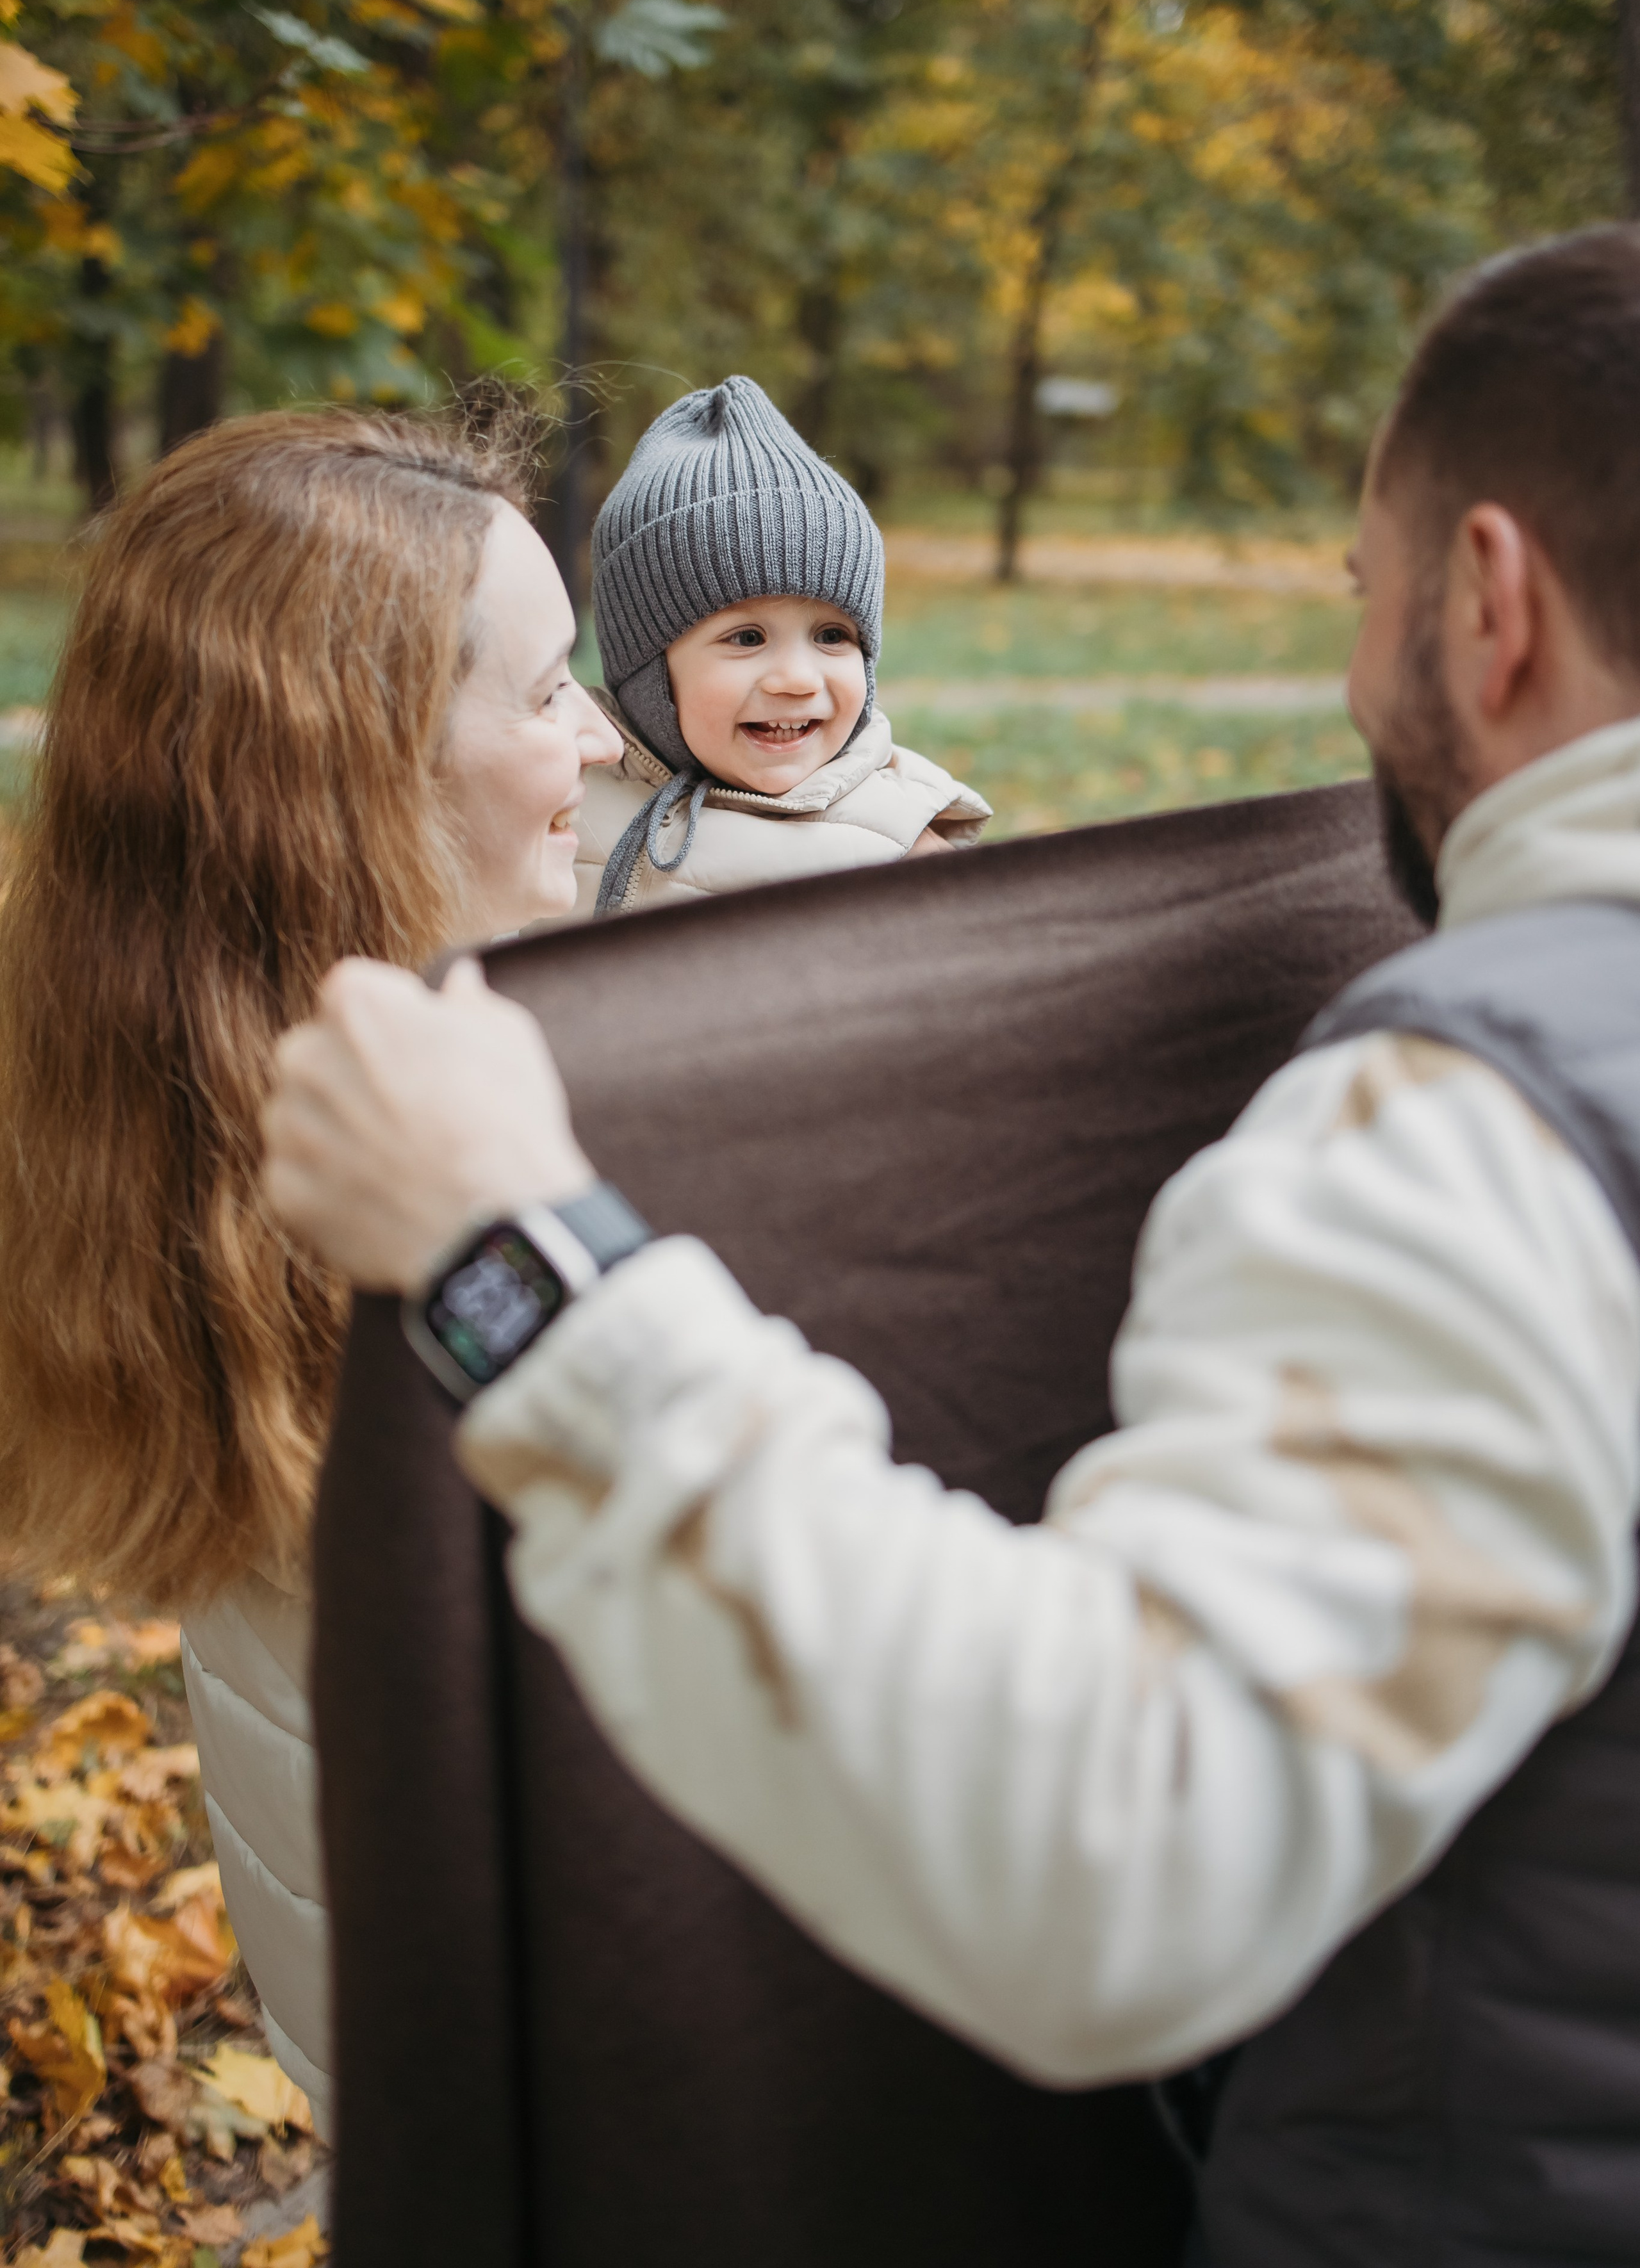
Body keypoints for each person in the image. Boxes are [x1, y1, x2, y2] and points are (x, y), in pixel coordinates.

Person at [265, 225, 1640, 2267]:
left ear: (1485, 602)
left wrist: (512, 1264)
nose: (1361, 673)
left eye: (1365, 598)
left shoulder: (1480, 1137)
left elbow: (1122, 1852)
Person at [0, 406, 621, 2130]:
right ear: (367, 767)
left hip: (395, 2065)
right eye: (550, 689)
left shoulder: (185, 1109)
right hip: (571, 2108)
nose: (601, 734)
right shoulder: (432, 1217)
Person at [573, 375, 989, 915]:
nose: (798, 678)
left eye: (833, 636)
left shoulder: (896, 844)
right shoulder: (561, 802)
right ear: (646, 672)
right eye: (747, 638)